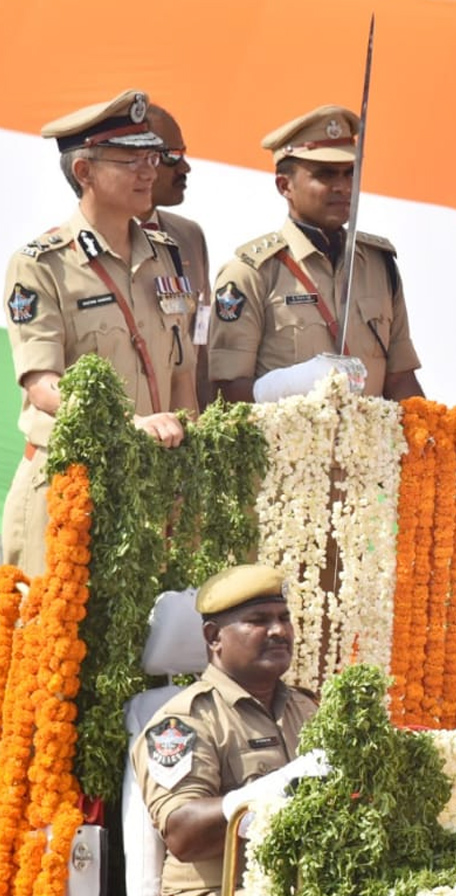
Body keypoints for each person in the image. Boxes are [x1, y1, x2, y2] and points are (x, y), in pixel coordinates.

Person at [2, 89, 198, 576]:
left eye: (151, 156)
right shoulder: (41, 265)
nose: (149, 170)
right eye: (130, 159)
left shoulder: (167, 254)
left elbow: (181, 373)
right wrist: (126, 426)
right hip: (71, 488)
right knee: (51, 643)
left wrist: (190, 454)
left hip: (151, 487)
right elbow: (43, 385)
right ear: (84, 172)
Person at [133, 564, 326, 896]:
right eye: (259, 620)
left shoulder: (307, 708)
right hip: (223, 892)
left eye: (284, 618)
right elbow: (182, 833)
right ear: (213, 637)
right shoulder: (185, 722)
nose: (279, 630)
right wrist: (274, 791)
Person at [207, 104, 423, 404]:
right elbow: (227, 393)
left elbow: (400, 378)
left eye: (350, 174)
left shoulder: (379, 264)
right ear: (285, 185)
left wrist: (432, 439)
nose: (343, 187)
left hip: (369, 449)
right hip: (286, 448)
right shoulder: (251, 273)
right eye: (325, 175)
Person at [141, 104, 214, 409]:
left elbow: (201, 337)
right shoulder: (78, 251)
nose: (185, 168)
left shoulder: (189, 237)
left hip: (182, 435)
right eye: (171, 156)